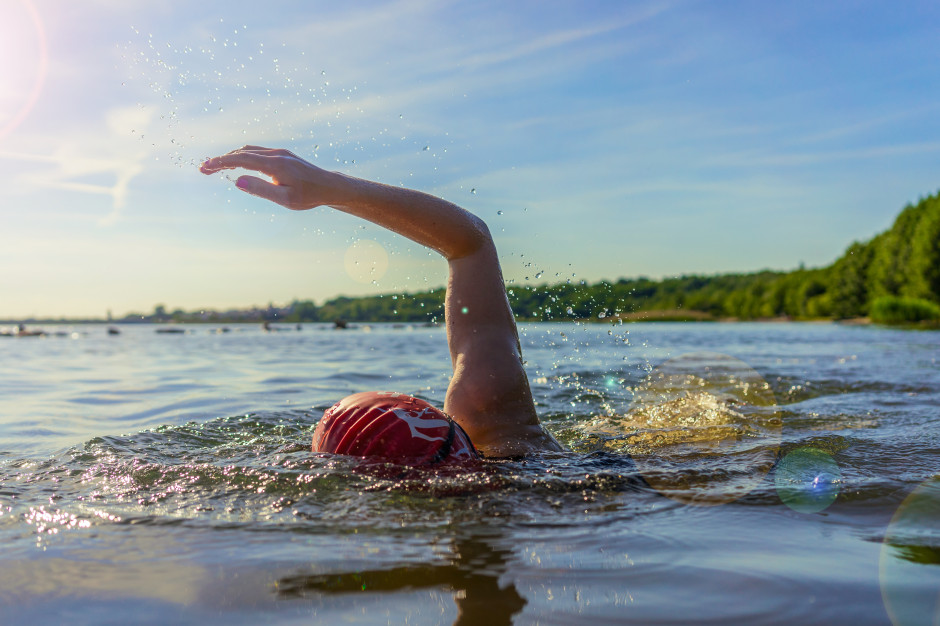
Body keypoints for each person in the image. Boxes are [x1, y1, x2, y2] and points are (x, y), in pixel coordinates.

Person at [200, 146, 563, 461]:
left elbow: (471, 246)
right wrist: (331, 187)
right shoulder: (500, 427)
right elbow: (472, 243)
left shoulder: (500, 431)